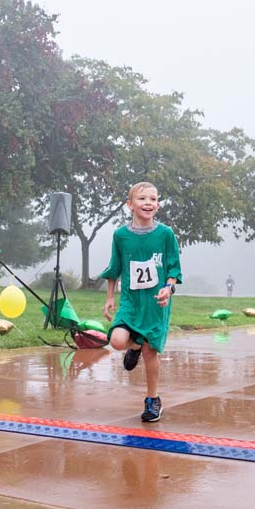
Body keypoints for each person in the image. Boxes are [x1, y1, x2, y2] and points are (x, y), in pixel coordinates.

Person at [102, 181, 182, 423]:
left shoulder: (166, 234)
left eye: (153, 199)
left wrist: (168, 289)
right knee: (117, 341)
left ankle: (152, 399)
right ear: (130, 204)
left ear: (157, 204)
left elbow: (173, 269)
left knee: (150, 352)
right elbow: (114, 268)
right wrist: (109, 298)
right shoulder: (121, 236)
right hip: (131, 301)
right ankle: (132, 347)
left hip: (156, 302)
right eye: (142, 198)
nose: (148, 203)